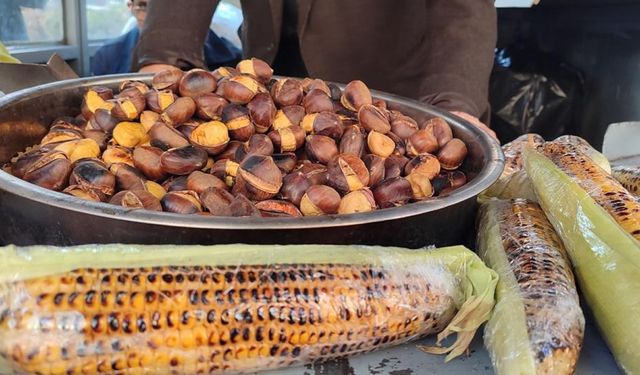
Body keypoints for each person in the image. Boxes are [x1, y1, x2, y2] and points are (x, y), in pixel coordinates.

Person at [134, 0, 497, 138]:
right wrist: (166, 58)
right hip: (267, 88)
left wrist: (453, 99)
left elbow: (461, 8)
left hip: (387, 101)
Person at [91, 0, 241, 76]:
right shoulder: (107, 57)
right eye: (143, 6)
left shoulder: (231, 57)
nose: (153, 18)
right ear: (130, 6)